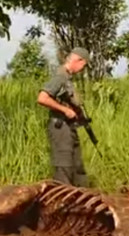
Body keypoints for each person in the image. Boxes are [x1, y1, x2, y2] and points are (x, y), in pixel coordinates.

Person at [37, 47, 90, 187]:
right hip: (60, 127)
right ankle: (61, 201)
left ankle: (79, 198)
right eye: (83, 65)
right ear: (78, 60)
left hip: (69, 127)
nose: (82, 69)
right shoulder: (60, 77)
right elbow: (42, 98)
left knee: (77, 166)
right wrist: (64, 110)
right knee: (64, 167)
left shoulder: (67, 78)